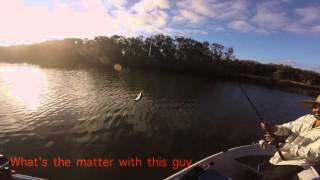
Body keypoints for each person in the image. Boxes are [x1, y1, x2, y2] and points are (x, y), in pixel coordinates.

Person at [259, 95, 320, 180]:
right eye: (316, 106)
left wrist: (281, 145)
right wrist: (273, 128)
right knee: (265, 174)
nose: (318, 110)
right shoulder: (307, 118)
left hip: (299, 161)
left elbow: (311, 153)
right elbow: (288, 129)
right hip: (282, 155)